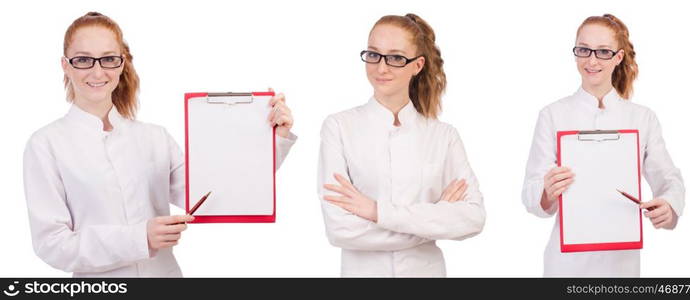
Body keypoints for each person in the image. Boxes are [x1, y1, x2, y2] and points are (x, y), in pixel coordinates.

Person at [23, 12, 296, 277]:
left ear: (122, 63)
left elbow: (219, 195)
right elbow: (52, 245)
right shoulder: (46, 144)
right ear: (65, 64)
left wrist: (272, 138)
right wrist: (139, 238)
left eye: (108, 59)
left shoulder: (154, 138)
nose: (97, 71)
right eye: (83, 59)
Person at [317, 13, 486, 277]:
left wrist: (376, 212)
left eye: (395, 58)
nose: (381, 68)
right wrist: (433, 220)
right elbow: (340, 229)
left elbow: (473, 218)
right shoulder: (339, 127)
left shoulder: (443, 136)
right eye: (373, 54)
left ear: (417, 65)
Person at [521, 14, 685, 277]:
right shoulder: (552, 115)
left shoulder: (641, 118)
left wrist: (668, 205)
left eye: (603, 52)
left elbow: (669, 179)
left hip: (621, 266)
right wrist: (547, 191)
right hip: (566, 266)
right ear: (575, 52)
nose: (592, 60)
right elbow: (531, 192)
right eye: (584, 50)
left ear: (618, 57)